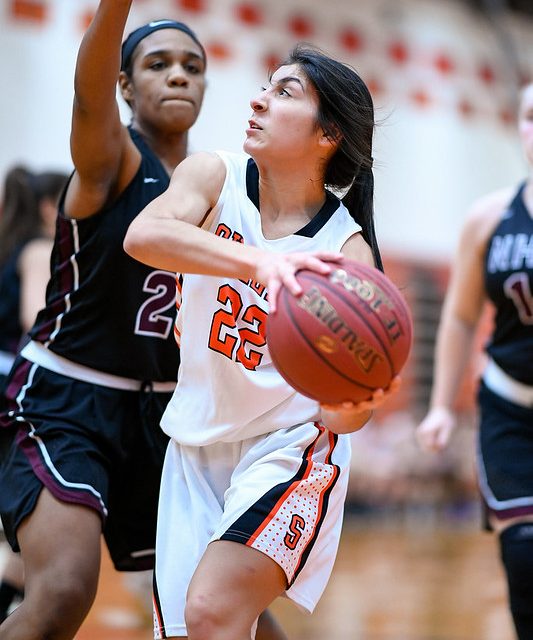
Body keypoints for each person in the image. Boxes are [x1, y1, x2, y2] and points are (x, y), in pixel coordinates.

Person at [124, 43, 400, 639]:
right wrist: (257, 265)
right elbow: (144, 234)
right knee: (196, 630)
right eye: (265, 85)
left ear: (327, 135)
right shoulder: (212, 176)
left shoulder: (347, 255)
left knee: (213, 608)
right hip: (194, 445)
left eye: (284, 93)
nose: (258, 99)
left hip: (290, 451)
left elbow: (345, 418)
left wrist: (358, 396)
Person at [0, 2, 210, 638]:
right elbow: (85, 95)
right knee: (63, 593)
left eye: (193, 66)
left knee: (220, 612)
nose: (178, 76)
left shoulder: (224, 190)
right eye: (157, 64)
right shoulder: (113, 162)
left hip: (164, 421)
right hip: (69, 401)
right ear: (124, 85)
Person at [416, 83, 533, 640]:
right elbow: (461, 317)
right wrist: (440, 406)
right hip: (510, 408)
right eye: (531, 116)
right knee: (525, 555)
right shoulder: (489, 219)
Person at [0, 165, 68, 623]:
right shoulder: (41, 249)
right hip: (11, 391)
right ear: (49, 208)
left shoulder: (7, 247)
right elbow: (36, 320)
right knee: (24, 527)